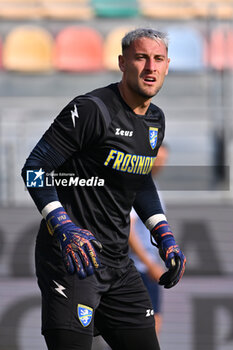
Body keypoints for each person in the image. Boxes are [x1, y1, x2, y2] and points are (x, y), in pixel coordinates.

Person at [21, 28, 186, 350]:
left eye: (158, 59)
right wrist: (63, 226)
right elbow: (35, 168)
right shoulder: (93, 109)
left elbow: (137, 178)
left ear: (167, 65)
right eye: (141, 58)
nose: (150, 67)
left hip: (117, 262)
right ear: (123, 63)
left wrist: (163, 233)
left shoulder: (155, 120)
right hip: (73, 260)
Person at [129, 144, 169, 335]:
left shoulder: (153, 188)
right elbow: (129, 230)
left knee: (152, 325)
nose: (159, 164)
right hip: (135, 267)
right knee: (144, 327)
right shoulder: (134, 185)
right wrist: (149, 264)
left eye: (163, 160)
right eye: (156, 159)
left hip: (145, 266)